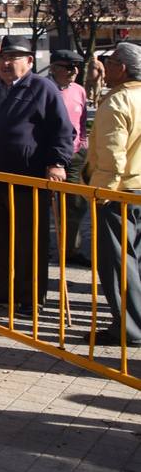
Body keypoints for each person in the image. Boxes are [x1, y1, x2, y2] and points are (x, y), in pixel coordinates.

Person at [0, 36, 74, 310]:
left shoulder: (42, 88)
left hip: (26, 179)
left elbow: (63, 131)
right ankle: (2, 289)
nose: (6, 63)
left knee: (28, 241)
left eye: (13, 57)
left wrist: (57, 162)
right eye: (3, 58)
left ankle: (30, 296)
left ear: (29, 61)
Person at [84, 43, 141, 346]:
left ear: (123, 67)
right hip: (136, 189)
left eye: (109, 61)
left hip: (120, 192)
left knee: (118, 263)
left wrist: (101, 193)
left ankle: (129, 327)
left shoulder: (118, 101)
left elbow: (111, 155)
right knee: (136, 261)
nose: (105, 67)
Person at [48, 50, 90, 267]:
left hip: (74, 155)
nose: (74, 72)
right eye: (68, 67)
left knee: (74, 204)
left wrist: (82, 144)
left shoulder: (79, 91)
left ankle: (70, 249)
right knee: (42, 203)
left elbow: (81, 122)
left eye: (76, 67)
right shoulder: (44, 89)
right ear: (54, 67)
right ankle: (40, 246)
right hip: (47, 157)